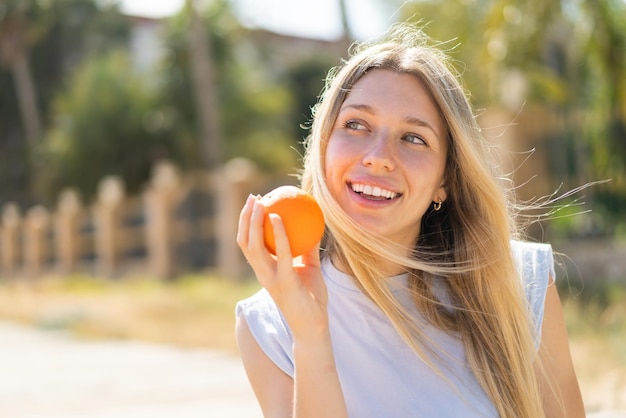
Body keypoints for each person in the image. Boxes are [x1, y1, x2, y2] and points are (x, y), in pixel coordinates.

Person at [235, 23, 585, 418]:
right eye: (356, 125)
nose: (378, 155)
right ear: (323, 146)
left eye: (414, 138)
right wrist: (311, 336)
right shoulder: (268, 327)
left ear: (445, 180)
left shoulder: (519, 282)